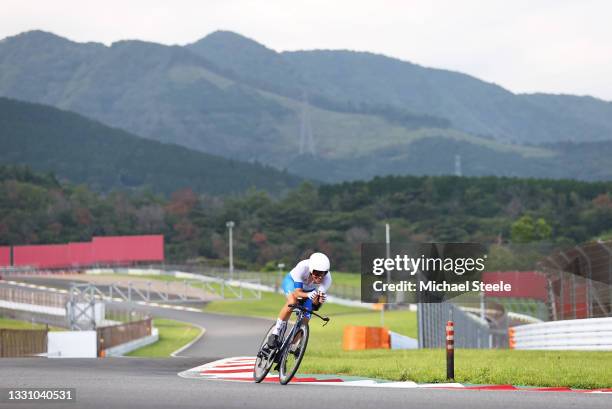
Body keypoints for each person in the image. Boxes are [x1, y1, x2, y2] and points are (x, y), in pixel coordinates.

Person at [267, 252, 332, 348]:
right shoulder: (302, 267)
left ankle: (289, 347)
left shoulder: (328, 279)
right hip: (292, 284)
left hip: (309, 291)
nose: (319, 277)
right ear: (311, 270)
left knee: (306, 318)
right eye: (316, 273)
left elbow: (315, 305)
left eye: (323, 273)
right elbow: (297, 293)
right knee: (292, 302)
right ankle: (276, 331)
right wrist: (309, 294)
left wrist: (319, 300)